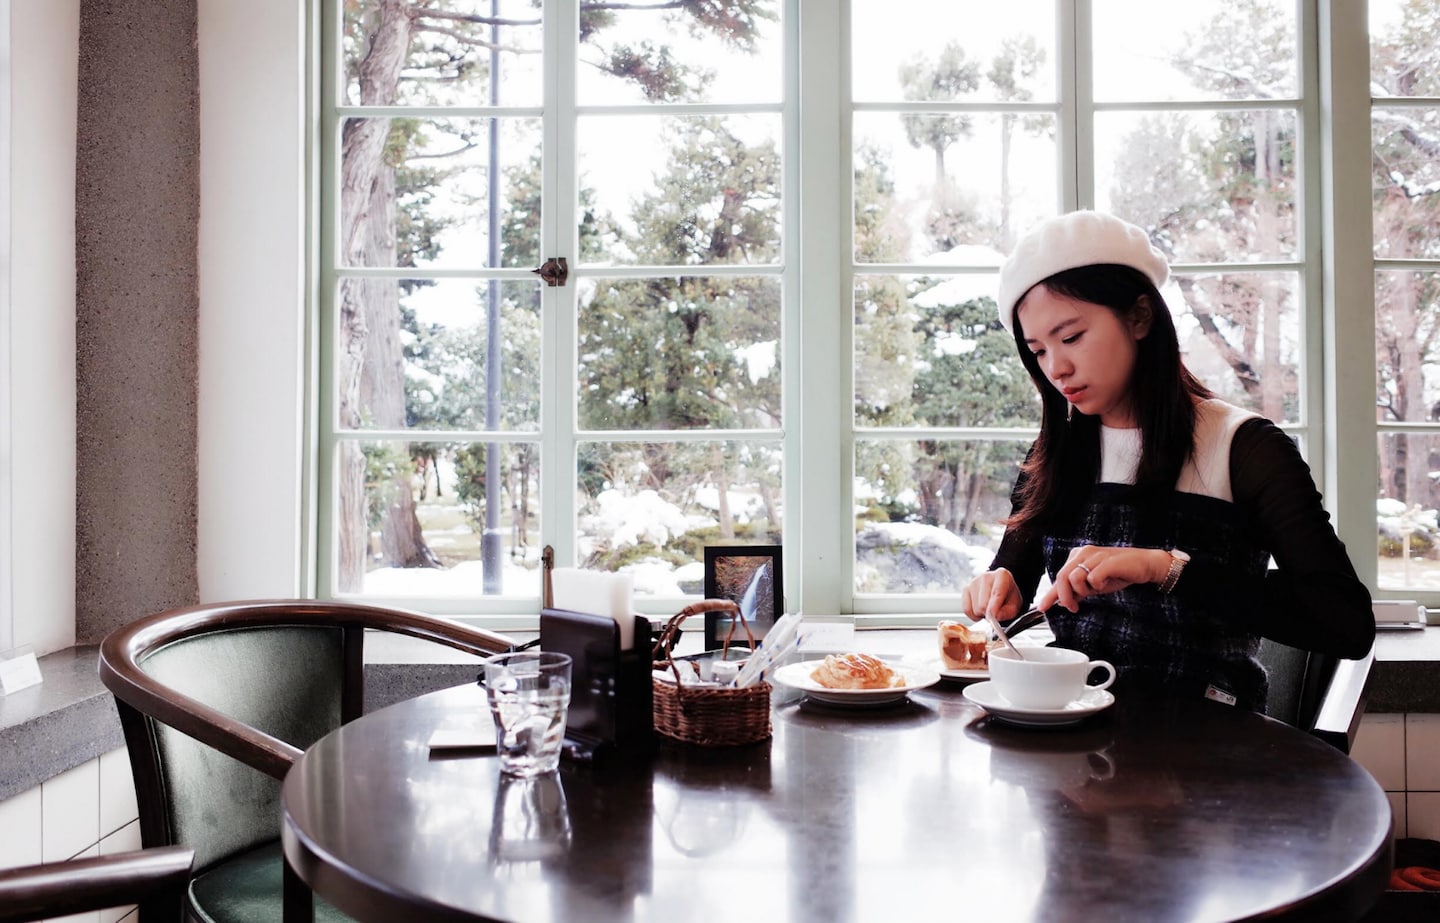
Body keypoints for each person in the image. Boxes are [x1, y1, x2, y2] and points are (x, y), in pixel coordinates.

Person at [960, 210, 1374, 712]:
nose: (1057, 368)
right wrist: (999, 586)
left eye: (1070, 338)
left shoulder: (1243, 447)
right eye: (1038, 351)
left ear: (1139, 317)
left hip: (1204, 741)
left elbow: (1344, 623)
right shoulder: (1060, 450)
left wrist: (1166, 568)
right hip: (1072, 724)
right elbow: (1016, 580)